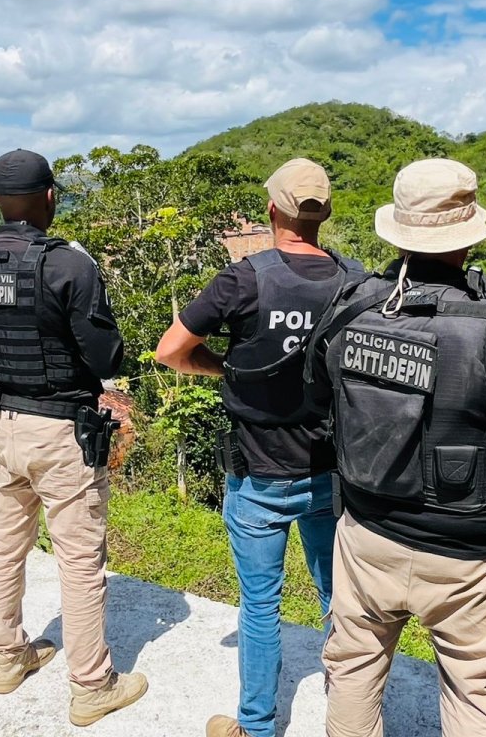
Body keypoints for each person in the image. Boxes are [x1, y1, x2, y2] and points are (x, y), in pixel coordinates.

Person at [306, 158, 486, 737]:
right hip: (468, 555)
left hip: (367, 533)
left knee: (352, 667)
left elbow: (316, 390)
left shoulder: (354, 308)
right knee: (476, 686)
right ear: (467, 239)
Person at [154, 158, 363, 737]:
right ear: (324, 214)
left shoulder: (243, 279)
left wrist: (226, 368)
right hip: (330, 471)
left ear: (273, 209)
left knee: (261, 606)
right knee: (337, 599)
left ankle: (256, 725)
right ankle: (349, 712)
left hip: (258, 474)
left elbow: (169, 351)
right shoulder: (356, 281)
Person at [0, 149, 147, 727]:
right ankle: (92, 686)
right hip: (60, 429)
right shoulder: (67, 265)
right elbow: (107, 355)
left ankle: (8, 658)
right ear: (50, 197)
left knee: (4, 546)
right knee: (80, 559)